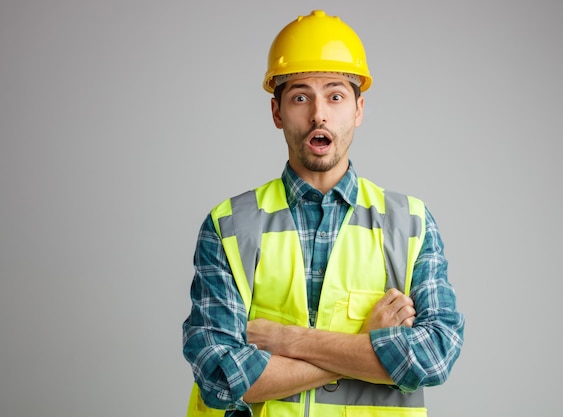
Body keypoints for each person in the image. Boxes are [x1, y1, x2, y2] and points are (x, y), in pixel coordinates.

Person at [182, 10, 464, 417]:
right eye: (300, 97)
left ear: (358, 109)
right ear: (277, 112)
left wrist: (287, 339)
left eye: (335, 96)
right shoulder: (229, 225)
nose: (319, 114)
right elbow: (219, 375)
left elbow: (434, 356)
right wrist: (366, 346)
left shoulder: (410, 223)